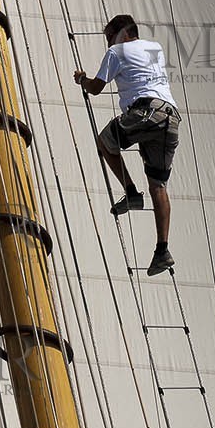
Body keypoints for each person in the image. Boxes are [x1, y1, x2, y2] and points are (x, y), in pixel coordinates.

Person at [74, 15, 180, 276]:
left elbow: (97, 88)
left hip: (145, 113)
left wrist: (82, 80)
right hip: (170, 118)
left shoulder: (115, 51)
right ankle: (162, 249)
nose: (107, 40)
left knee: (104, 142)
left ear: (121, 32)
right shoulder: (155, 48)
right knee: (158, 185)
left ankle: (131, 192)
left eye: (109, 34)